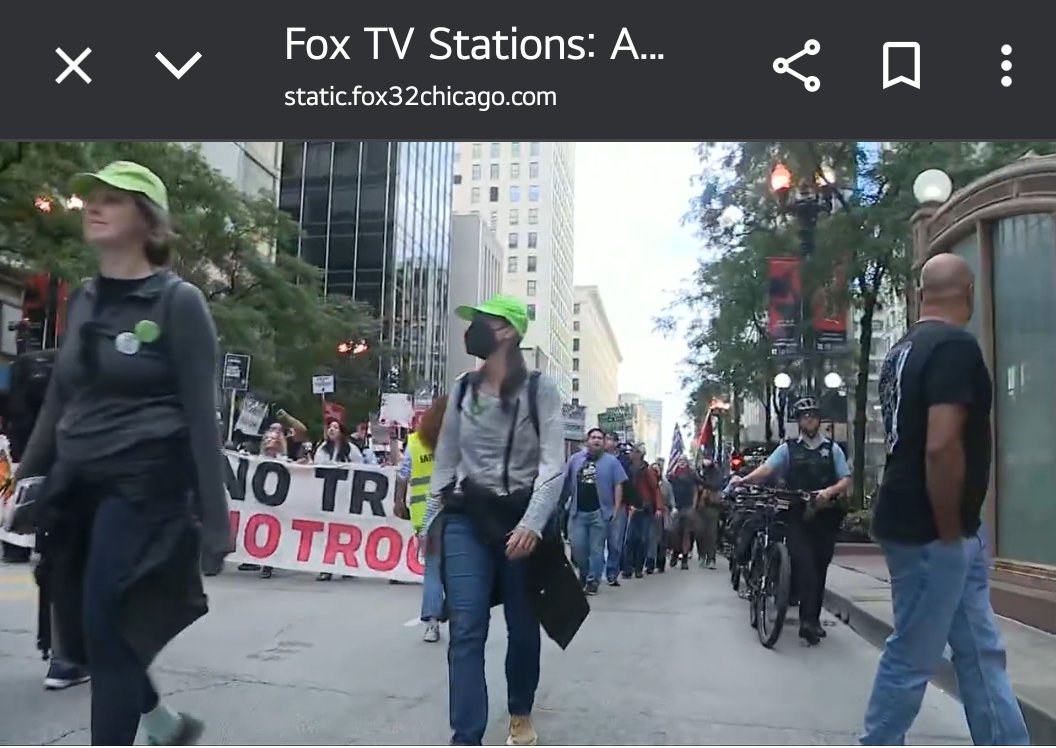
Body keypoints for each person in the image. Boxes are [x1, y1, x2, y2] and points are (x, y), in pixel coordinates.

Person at [14, 161, 228, 744]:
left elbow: (200, 417)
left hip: (143, 489)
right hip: (76, 482)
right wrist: (25, 480)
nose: (93, 205)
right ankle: (162, 723)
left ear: (148, 220)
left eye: (113, 198)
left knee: (109, 628)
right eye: (91, 197)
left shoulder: (178, 304)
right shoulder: (83, 299)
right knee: (82, 628)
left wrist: (216, 518)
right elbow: (60, 397)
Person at [859, 253, 1028, 745]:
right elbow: (940, 444)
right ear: (970, 293)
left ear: (919, 295)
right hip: (935, 530)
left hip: (932, 525)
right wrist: (951, 531)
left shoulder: (902, 350)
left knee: (979, 650)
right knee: (913, 653)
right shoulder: (954, 346)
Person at [423, 294, 563, 747]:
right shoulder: (463, 388)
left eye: (482, 321)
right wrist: (431, 526)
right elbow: (445, 461)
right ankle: (466, 737)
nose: (474, 329)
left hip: (522, 517)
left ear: (507, 332)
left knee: (523, 628)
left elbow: (551, 464)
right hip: (468, 519)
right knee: (466, 627)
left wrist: (533, 523)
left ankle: (520, 711)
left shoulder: (541, 389)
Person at [729, 395, 851, 645]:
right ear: (799, 422)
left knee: (819, 568)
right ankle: (805, 621)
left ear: (819, 421)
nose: (810, 420)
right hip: (796, 514)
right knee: (804, 564)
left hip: (825, 516)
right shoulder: (787, 449)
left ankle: (812, 620)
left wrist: (828, 492)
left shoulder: (832, 449)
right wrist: (744, 480)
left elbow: (846, 479)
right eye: (805, 417)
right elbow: (767, 469)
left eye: (814, 416)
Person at [395, 395, 449, 642]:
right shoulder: (458, 442)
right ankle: (456, 617)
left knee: (433, 571)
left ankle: (433, 622)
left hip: (425, 518)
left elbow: (403, 474)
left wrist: (399, 502)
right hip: (457, 517)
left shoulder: (415, 442)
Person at [560, 428, 626, 594]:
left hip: (599, 513)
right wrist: (560, 503)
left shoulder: (611, 462)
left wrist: (616, 509)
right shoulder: (575, 460)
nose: (596, 440)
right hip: (577, 512)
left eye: (600, 438)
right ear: (587, 441)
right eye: (593, 437)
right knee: (577, 548)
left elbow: (618, 484)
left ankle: (593, 581)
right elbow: (566, 482)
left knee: (596, 550)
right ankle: (584, 573)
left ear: (603, 442)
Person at [621, 446, 661, 579]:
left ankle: (638, 568)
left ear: (641, 455)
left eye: (635, 452)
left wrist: (659, 508)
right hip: (631, 506)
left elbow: (655, 489)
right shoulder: (627, 468)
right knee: (629, 539)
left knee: (642, 539)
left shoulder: (647, 471)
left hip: (645, 508)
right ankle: (627, 568)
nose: (632, 454)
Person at [668, 456, 703, 570]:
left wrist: (693, 506)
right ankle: (675, 552)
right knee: (674, 533)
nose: (681, 463)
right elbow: (668, 487)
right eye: (679, 461)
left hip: (688, 507)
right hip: (676, 507)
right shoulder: (673, 475)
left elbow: (696, 490)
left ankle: (684, 559)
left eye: (683, 461)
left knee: (686, 534)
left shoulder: (692, 474)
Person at [694, 458, 723, 569]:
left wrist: (703, 483)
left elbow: (716, 484)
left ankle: (711, 559)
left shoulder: (716, 472)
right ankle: (702, 555)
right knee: (699, 532)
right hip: (699, 506)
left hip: (712, 506)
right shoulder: (698, 471)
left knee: (711, 534)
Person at [645, 462, 673, 574]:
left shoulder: (666, 484)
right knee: (651, 539)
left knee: (662, 540)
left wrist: (671, 508)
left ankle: (661, 562)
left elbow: (671, 500)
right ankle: (650, 563)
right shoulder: (647, 483)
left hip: (663, 515)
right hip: (650, 513)